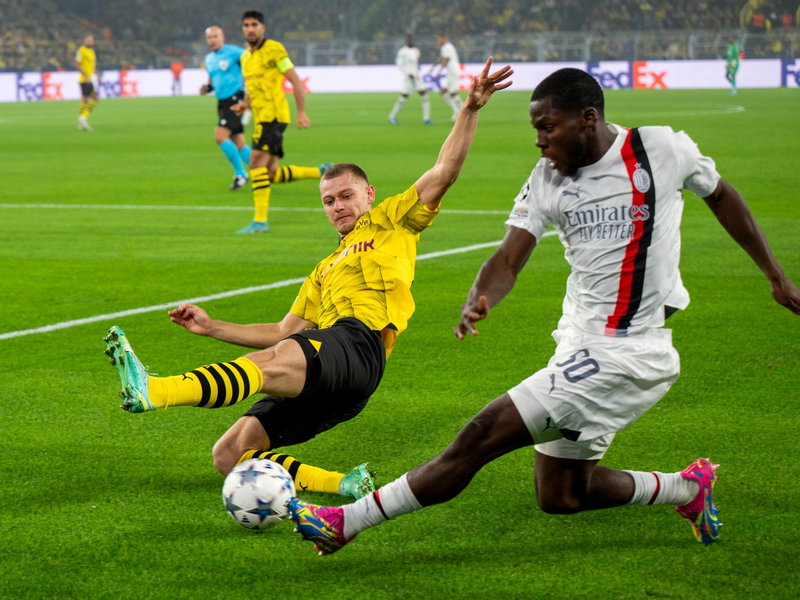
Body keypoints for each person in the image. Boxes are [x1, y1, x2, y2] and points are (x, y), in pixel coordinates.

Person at [289, 67, 800, 555]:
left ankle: (347, 521)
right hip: (578, 342)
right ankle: (685, 489)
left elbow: (722, 195)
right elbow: (510, 256)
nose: (539, 140)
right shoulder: (547, 178)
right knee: (561, 495)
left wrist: (775, 274)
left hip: (629, 350)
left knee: (480, 434)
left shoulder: (659, 149)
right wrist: (481, 294)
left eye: (546, 127)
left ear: (587, 119)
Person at [103, 58, 513, 501]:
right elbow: (282, 331)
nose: (337, 206)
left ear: (369, 195)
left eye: (346, 196)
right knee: (229, 454)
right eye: (328, 200)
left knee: (277, 359)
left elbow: (444, 171)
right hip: (334, 374)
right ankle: (345, 483)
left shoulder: (392, 220)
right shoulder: (323, 270)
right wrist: (211, 327)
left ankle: (157, 390)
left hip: (360, 346)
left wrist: (469, 109)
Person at [231, 10, 331, 234]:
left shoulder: (274, 49)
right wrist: (244, 105)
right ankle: (321, 172)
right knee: (270, 174)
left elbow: (294, 80)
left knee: (255, 162)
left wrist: (302, 112)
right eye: (246, 25)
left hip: (273, 117)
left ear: (262, 28)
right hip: (261, 118)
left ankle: (260, 221)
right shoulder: (245, 57)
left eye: (254, 24)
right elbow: (252, 88)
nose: (250, 29)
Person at [200, 26, 251, 191]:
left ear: (222, 37)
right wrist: (206, 88)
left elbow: (252, 61)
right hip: (221, 102)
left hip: (234, 99)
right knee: (239, 142)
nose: (212, 40)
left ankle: (241, 174)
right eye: (209, 38)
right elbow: (213, 79)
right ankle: (265, 173)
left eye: (215, 36)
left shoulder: (235, 52)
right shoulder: (208, 59)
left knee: (220, 136)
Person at [388, 34, 432, 126]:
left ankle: (426, 118)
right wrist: (408, 73)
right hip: (408, 77)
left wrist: (416, 72)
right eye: (409, 40)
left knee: (424, 94)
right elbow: (399, 64)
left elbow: (416, 63)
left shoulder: (416, 50)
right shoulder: (402, 51)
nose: (411, 41)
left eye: (412, 40)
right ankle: (392, 116)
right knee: (404, 96)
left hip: (416, 76)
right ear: (406, 41)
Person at [431, 33, 462, 122]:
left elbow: (446, 60)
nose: (439, 41)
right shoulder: (444, 47)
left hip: (453, 71)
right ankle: (457, 111)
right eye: (438, 39)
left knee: (453, 93)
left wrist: (438, 72)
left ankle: (463, 111)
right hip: (450, 72)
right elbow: (441, 59)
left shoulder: (448, 47)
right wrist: (433, 66)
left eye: (440, 39)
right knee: (443, 91)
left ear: (445, 38)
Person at [76, 35, 99, 131]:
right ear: (84, 41)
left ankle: (81, 124)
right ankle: (83, 118)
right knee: (95, 99)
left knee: (84, 100)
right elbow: (78, 65)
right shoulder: (81, 50)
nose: (89, 42)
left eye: (91, 40)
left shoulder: (92, 52)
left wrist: (97, 74)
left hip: (88, 79)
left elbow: (91, 66)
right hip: (85, 79)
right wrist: (85, 76)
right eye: (87, 41)